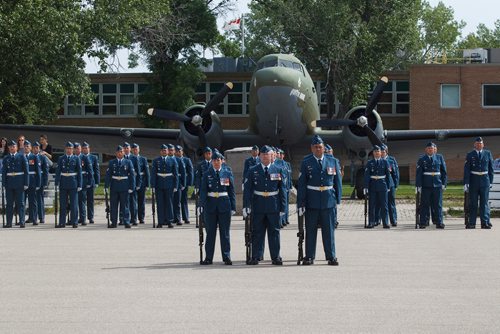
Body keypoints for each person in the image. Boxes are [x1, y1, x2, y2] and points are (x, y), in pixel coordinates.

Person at [297, 135, 342, 265]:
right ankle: (309, 256)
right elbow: (302, 185)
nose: (318, 149)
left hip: (328, 201)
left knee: (329, 231)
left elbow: (337, 182)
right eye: (316, 147)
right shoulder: (306, 162)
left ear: (323, 148)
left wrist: (337, 200)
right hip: (312, 201)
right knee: (310, 230)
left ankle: (331, 256)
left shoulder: (333, 161)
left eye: (320, 147)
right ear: (312, 148)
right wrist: (301, 203)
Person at [243, 145, 287, 265]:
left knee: (274, 232)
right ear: (259, 156)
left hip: (273, 205)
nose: (265, 157)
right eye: (263, 155)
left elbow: (282, 190)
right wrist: (246, 206)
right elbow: (247, 190)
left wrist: (283, 207)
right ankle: (256, 256)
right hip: (258, 204)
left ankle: (275, 257)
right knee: (257, 231)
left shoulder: (278, 169)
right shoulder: (253, 170)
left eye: (267, 154)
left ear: (272, 156)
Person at [199, 152, 236, 265]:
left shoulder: (227, 173)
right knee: (210, 233)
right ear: (212, 161)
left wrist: (233, 207)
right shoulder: (207, 174)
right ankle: (208, 257)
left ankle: (226, 256)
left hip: (224, 205)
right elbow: (203, 191)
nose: (216, 162)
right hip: (210, 205)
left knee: (225, 233)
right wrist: (201, 205)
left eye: (218, 160)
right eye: (214, 160)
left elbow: (231, 191)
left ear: (222, 161)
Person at [464, 137, 494, 229]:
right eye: (477, 144)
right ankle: (472, 222)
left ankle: (484, 222)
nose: (479, 145)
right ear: (474, 145)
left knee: (484, 202)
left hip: (485, 180)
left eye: (480, 143)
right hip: (474, 180)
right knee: (473, 203)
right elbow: (467, 169)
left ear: (483, 145)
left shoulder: (488, 153)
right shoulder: (470, 154)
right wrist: (466, 183)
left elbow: (490, 169)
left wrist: (491, 181)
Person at [415, 142, 447, 229]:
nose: (430, 150)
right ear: (426, 150)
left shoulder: (439, 157)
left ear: (434, 149)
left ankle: (439, 222)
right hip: (426, 185)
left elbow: (444, 172)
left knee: (438, 204)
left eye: (432, 148)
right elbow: (419, 174)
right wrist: (418, 186)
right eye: (429, 148)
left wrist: (444, 183)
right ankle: (423, 222)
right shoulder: (422, 159)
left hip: (437, 184)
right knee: (424, 204)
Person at [105, 145, 135, 228]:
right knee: (113, 206)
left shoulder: (128, 162)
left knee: (125, 205)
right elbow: (108, 175)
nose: (120, 153)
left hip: (124, 186)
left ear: (124, 152)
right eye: (118, 152)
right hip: (114, 186)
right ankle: (113, 222)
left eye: (121, 151)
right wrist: (106, 187)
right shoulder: (112, 162)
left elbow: (132, 175)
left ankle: (126, 222)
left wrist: (131, 187)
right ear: (116, 153)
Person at [364, 145, 393, 229]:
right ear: (373, 153)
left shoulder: (385, 162)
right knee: (372, 205)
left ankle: (385, 222)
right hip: (372, 186)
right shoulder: (370, 163)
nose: (377, 153)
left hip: (382, 185)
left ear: (381, 153)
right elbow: (367, 176)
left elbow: (388, 175)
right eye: (375, 152)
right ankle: (371, 222)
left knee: (384, 205)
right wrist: (366, 187)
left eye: (378, 152)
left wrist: (388, 186)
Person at [1, 140, 29, 228]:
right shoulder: (6, 158)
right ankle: (9, 222)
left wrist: (26, 183)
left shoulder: (22, 157)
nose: (12, 148)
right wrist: (4, 184)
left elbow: (26, 171)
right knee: (9, 204)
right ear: (8, 148)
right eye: (10, 147)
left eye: (13, 146)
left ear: (16, 147)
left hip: (19, 183)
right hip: (9, 184)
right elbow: (4, 172)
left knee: (20, 203)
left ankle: (22, 221)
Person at [55, 142, 82, 228]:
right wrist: (56, 183)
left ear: (73, 149)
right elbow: (58, 171)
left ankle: (74, 222)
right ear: (65, 149)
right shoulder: (61, 158)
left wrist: (80, 184)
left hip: (73, 183)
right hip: (63, 183)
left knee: (74, 204)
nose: (69, 150)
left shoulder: (76, 158)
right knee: (63, 204)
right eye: (67, 148)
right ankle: (62, 222)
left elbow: (79, 173)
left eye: (70, 148)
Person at [150, 144, 178, 228]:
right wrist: (153, 186)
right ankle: (160, 221)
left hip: (169, 184)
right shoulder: (156, 160)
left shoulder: (172, 160)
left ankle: (170, 221)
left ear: (168, 151)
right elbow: (153, 174)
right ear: (160, 151)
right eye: (162, 150)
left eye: (165, 150)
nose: (164, 152)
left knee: (169, 203)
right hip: (159, 184)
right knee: (160, 204)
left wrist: (176, 185)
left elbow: (175, 174)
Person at [74, 142, 93, 226]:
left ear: (80, 149)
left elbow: (90, 171)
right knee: (75, 201)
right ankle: (75, 218)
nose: (77, 150)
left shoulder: (84, 157)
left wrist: (89, 182)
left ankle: (83, 218)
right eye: (75, 148)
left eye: (78, 148)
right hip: (74, 182)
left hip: (83, 182)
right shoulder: (73, 158)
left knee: (82, 201)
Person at [24, 140, 41, 225]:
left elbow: (38, 172)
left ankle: (34, 219)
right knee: (22, 202)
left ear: (30, 148)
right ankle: (23, 219)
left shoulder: (34, 157)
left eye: (28, 146)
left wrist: (38, 183)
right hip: (23, 183)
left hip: (32, 182)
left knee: (33, 202)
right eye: (25, 146)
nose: (26, 148)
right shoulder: (21, 157)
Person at [123, 142, 141, 226]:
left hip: (132, 183)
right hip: (123, 183)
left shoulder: (134, 158)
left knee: (133, 202)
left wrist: (138, 184)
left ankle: (134, 219)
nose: (126, 150)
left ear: (130, 149)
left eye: (127, 148)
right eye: (124, 148)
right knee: (123, 202)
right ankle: (123, 219)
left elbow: (138, 172)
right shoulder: (121, 157)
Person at [381, 144, 399, 227]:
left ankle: (393, 220)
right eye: (381, 152)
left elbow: (395, 173)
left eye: (383, 151)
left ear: (386, 152)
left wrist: (396, 184)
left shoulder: (391, 160)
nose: (382, 153)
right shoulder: (377, 160)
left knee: (391, 202)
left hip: (390, 184)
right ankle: (381, 220)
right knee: (381, 203)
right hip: (381, 184)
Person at [132, 143, 150, 224]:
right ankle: (133, 218)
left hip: (142, 182)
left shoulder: (143, 159)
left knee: (141, 201)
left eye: (137, 149)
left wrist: (147, 184)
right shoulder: (129, 159)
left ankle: (141, 217)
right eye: (134, 149)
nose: (135, 151)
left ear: (139, 150)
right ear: (132, 150)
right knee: (133, 201)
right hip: (133, 182)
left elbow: (147, 172)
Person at [82, 142, 99, 224]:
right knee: (82, 200)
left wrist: (97, 182)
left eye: (86, 148)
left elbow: (96, 170)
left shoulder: (94, 157)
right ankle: (82, 217)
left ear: (89, 149)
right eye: (84, 148)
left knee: (90, 200)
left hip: (91, 182)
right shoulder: (80, 157)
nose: (85, 149)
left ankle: (91, 217)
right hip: (83, 182)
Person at [32, 142, 49, 224]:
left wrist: (45, 182)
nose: (35, 149)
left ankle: (41, 217)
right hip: (32, 181)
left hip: (40, 181)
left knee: (40, 199)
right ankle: (32, 217)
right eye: (34, 147)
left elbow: (46, 171)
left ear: (39, 148)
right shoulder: (30, 157)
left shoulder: (42, 157)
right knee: (32, 200)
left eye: (37, 147)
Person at [178, 146, 193, 224]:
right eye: (177, 151)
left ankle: (186, 217)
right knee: (176, 201)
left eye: (180, 151)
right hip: (176, 183)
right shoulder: (174, 159)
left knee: (184, 200)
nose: (178, 152)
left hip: (185, 183)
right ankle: (176, 218)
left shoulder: (187, 160)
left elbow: (190, 172)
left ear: (182, 152)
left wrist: (190, 183)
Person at [172, 145, 186, 226]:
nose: (177, 153)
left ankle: (178, 218)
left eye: (178, 151)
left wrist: (183, 184)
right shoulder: (169, 159)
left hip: (178, 184)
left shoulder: (179, 160)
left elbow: (183, 173)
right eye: (176, 151)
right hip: (169, 183)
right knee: (170, 202)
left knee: (177, 202)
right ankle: (170, 218)